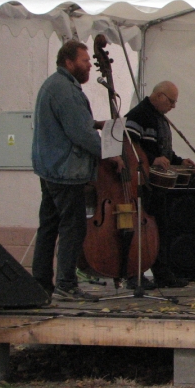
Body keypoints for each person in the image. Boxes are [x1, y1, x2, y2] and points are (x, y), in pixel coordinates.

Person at [31, 40, 112, 302]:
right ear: (69, 62)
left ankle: (41, 284)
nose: (89, 65)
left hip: (51, 169)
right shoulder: (66, 90)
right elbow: (80, 134)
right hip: (67, 172)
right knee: (73, 229)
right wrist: (109, 155)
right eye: (85, 60)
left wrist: (93, 123)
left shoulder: (53, 84)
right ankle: (66, 284)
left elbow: (70, 124)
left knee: (49, 227)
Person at [124, 81, 195, 289]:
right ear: (159, 96)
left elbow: (162, 149)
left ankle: (162, 274)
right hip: (141, 182)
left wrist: (179, 161)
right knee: (140, 229)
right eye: (171, 101)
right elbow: (129, 146)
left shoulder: (158, 117)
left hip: (156, 183)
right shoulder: (138, 115)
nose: (173, 106)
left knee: (160, 228)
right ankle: (134, 274)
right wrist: (152, 159)